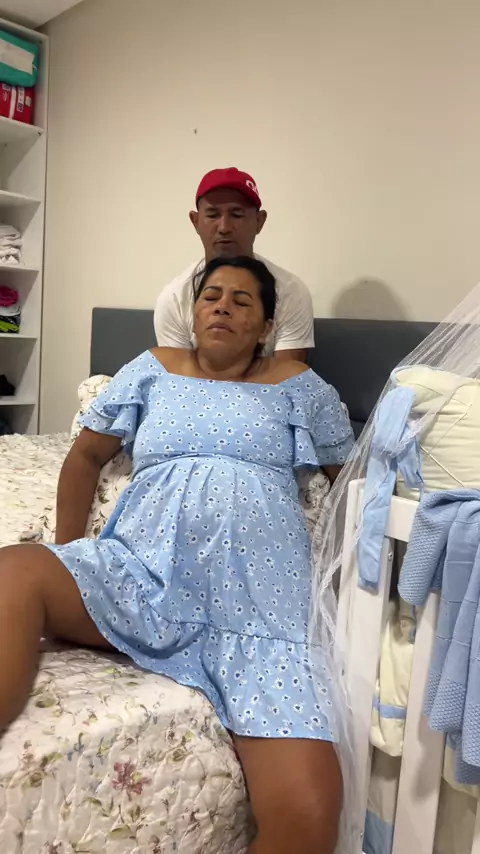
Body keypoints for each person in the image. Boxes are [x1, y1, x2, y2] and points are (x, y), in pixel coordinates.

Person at [0, 256, 353, 854]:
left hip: (259, 615)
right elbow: (84, 457)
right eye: (211, 296)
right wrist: (70, 549)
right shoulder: (152, 369)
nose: (222, 307)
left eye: (242, 300)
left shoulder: (301, 387)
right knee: (16, 569)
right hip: (142, 581)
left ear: (267, 326)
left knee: (309, 817)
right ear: (192, 313)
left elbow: (353, 484)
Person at [154, 167, 314, 362]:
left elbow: (289, 376)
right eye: (212, 215)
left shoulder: (291, 292)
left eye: (237, 214)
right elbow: (177, 376)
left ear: (259, 221)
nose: (224, 228)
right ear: (195, 221)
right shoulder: (174, 298)